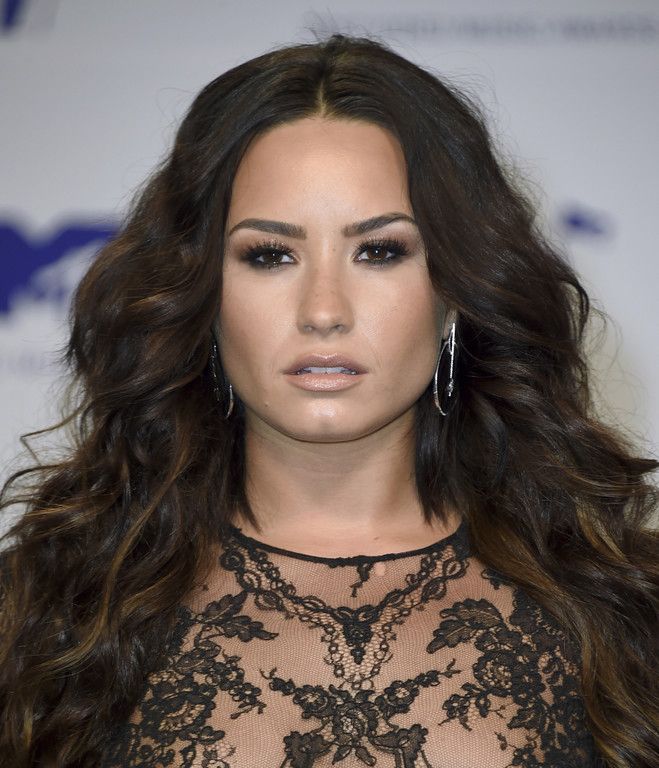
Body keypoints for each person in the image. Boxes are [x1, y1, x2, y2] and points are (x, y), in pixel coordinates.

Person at [0, 33, 656, 768]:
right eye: (269, 255)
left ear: (455, 291)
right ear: (201, 292)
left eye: (379, 251)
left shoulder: (622, 611)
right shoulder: (44, 614)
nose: (322, 311)